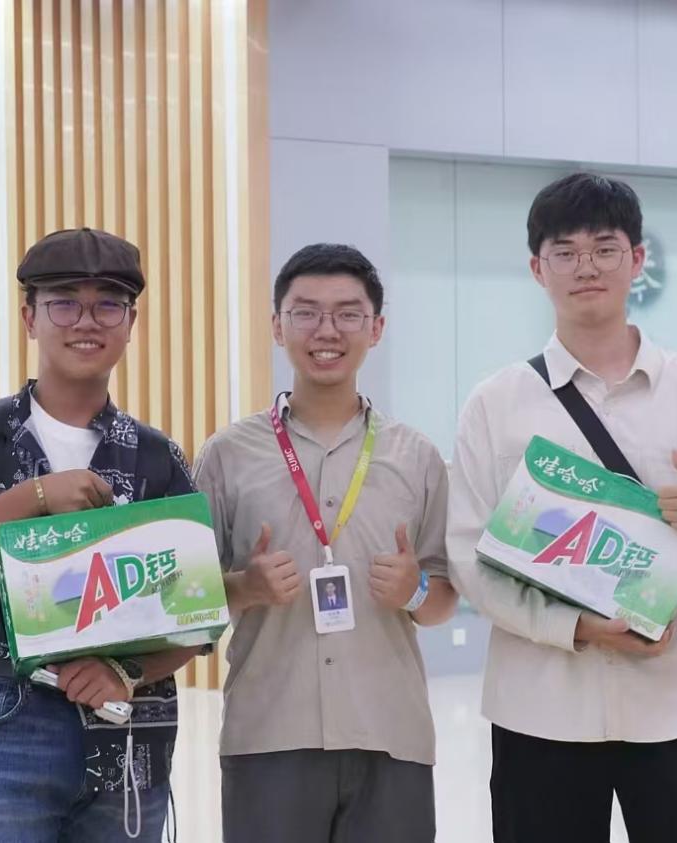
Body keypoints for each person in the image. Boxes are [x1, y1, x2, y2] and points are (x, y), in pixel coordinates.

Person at [446, 174, 677, 843]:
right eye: (565, 251)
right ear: (537, 268)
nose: (587, 267)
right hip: (540, 711)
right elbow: (469, 558)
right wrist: (576, 626)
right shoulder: (496, 404)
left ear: (637, 259)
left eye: (605, 248)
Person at [0, 228, 200, 843]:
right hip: (3, 722)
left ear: (131, 323)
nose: (87, 321)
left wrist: (127, 672)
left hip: (129, 734)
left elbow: (195, 617)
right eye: (64, 303)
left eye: (108, 304)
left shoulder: (156, 457)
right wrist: (28, 500)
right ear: (29, 317)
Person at [193, 243, 459, 843]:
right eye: (306, 312)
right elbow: (188, 604)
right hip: (269, 734)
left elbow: (443, 598)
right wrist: (245, 587)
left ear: (376, 328)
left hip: (389, 732)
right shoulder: (228, 455)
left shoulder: (416, 456)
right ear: (277, 326)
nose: (327, 331)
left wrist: (414, 589)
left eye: (347, 314)